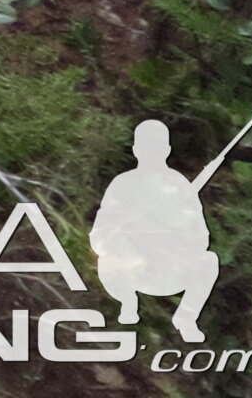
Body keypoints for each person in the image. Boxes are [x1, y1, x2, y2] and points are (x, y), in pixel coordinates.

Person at [92, 119, 224, 341]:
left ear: (166, 150)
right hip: (133, 270)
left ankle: (186, 318)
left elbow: (200, 237)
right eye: (146, 147)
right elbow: (100, 235)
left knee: (208, 261)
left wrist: (173, 230)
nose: (151, 153)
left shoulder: (179, 186)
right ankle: (128, 302)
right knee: (105, 260)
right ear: (136, 150)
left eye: (157, 146)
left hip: (169, 268)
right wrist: (128, 234)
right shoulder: (122, 184)